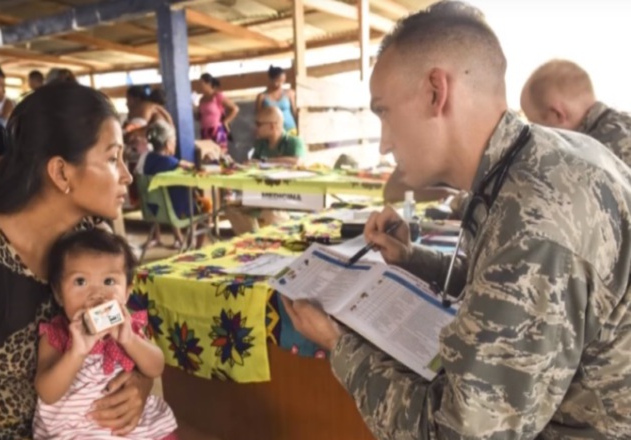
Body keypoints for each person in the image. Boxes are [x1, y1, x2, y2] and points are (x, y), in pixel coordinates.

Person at [280, 2, 631, 438]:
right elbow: (503, 283)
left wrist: (339, 345)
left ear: (435, 92)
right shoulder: (538, 161)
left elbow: (460, 433)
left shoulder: (535, 222)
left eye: (384, 112)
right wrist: (412, 258)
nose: (385, 144)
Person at [0, 83, 153, 439]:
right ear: (61, 173)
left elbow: (135, 331)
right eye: (112, 159)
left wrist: (138, 386)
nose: (126, 175)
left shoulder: (89, 238)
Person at [33, 228, 177, 439]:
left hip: (131, 429)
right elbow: (47, 392)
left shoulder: (129, 328)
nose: (96, 294)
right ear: (58, 293)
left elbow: (156, 366)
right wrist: (77, 353)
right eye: (80, 281)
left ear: (127, 292)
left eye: (109, 281)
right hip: (77, 431)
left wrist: (130, 340)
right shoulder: (57, 334)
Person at [521, 59, 631, 166]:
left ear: (557, 114)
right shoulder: (624, 122)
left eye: (536, 125)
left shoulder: (591, 161)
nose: (536, 136)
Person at [223, 107, 304, 235]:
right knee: (232, 208)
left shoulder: (293, 142)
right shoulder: (261, 144)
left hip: (287, 196)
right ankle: (252, 240)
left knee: (270, 211)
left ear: (272, 126)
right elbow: (254, 165)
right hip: (261, 194)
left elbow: (296, 162)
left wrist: (264, 162)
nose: (255, 128)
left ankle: (275, 239)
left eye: (259, 124)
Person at [141, 120, 211, 249]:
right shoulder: (172, 163)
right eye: (174, 141)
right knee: (206, 205)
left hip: (155, 211)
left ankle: (187, 241)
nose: (175, 144)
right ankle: (196, 248)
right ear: (168, 144)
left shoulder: (148, 160)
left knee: (189, 199)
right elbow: (195, 169)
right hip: (177, 212)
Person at [197, 73, 239, 152]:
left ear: (208, 84)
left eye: (202, 83)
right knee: (208, 155)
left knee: (220, 154)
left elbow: (235, 108)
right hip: (204, 131)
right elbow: (199, 116)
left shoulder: (217, 96)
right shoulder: (201, 99)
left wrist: (226, 122)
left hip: (216, 130)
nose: (200, 86)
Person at [255, 66, 297, 135]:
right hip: (272, 133)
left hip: (290, 129)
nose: (281, 84)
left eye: (283, 81)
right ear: (270, 79)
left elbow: (295, 112)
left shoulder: (289, 93)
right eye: (278, 81)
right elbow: (258, 117)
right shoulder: (262, 97)